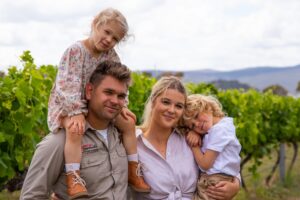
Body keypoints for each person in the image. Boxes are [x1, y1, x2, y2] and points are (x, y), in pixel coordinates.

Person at [47, 8, 149, 199]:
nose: (109, 40)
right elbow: (66, 84)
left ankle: (133, 168)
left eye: (116, 38)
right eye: (107, 32)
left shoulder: (111, 56)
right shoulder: (76, 51)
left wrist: (123, 106)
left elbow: (120, 82)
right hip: (69, 106)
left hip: (96, 107)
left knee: (128, 123)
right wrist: (75, 111)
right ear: (96, 24)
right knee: (75, 129)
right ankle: (73, 177)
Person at [21, 61, 134, 199]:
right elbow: (31, 196)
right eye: (108, 92)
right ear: (89, 91)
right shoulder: (58, 142)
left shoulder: (122, 136)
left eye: (121, 96)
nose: (115, 101)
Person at [128, 76, 240, 200]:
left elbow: (226, 159)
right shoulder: (134, 143)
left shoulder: (191, 139)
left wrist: (236, 184)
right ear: (153, 101)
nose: (171, 110)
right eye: (166, 102)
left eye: (179, 106)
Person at [183, 94, 241, 200]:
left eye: (196, 116)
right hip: (215, 180)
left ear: (208, 107)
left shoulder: (220, 131)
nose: (197, 124)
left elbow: (205, 164)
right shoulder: (215, 129)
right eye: (192, 125)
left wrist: (194, 146)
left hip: (214, 182)